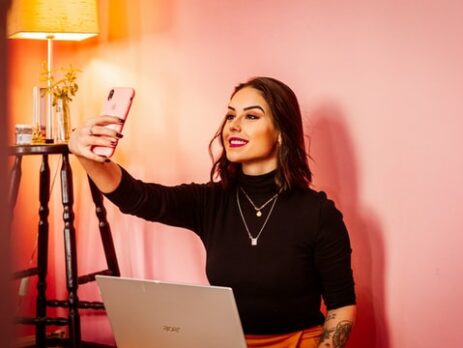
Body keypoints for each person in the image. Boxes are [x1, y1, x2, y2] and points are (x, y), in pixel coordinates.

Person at [69, 77, 356, 348]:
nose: (234, 125)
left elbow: (341, 305)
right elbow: (137, 198)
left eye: (251, 116)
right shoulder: (210, 201)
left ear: (281, 132)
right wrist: (87, 156)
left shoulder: (318, 213)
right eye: (231, 115)